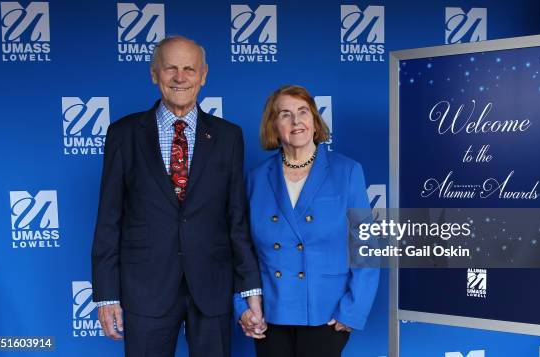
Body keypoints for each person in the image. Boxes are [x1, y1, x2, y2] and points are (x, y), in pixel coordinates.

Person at [91, 36, 263, 357]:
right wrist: (106, 295)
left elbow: (236, 219)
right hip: (145, 287)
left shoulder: (229, 136)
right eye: (170, 68)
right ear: (155, 73)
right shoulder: (123, 134)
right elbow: (108, 219)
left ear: (204, 75)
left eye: (189, 69)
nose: (180, 77)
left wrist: (250, 288)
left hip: (212, 284)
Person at [234, 85, 379, 356]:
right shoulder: (256, 178)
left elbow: (367, 247)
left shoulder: (347, 171)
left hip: (327, 312)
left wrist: (354, 310)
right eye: (285, 114)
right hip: (268, 314)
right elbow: (241, 248)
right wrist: (241, 306)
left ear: (314, 120)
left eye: (303, 112)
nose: (296, 121)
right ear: (273, 125)